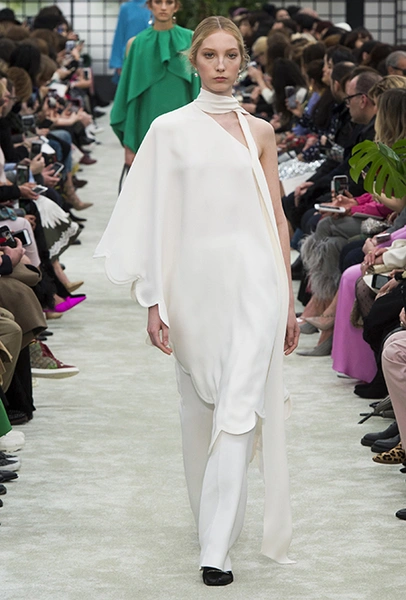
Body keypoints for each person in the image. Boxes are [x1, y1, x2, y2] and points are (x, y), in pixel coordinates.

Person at [96, 15, 299, 587]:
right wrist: (154, 301)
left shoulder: (260, 131)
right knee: (198, 412)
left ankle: (216, 550)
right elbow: (152, 218)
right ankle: (210, 519)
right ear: (194, 61)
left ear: (243, 61)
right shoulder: (168, 130)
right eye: (210, 55)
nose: (220, 65)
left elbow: (276, 217)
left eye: (231, 55)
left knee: (238, 409)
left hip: (255, 281)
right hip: (193, 284)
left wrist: (287, 300)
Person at [110, 0, 200, 170]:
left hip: (184, 126)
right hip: (147, 122)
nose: (163, 7)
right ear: (150, 5)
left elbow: (197, 88)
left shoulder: (191, 39)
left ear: (176, 6)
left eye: (169, 2)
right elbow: (128, 95)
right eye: (158, 2)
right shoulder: (136, 44)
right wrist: (130, 143)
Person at [109, 0, 151, 75]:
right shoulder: (126, 8)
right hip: (129, 56)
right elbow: (120, 35)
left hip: (151, 55)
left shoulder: (156, 5)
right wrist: (118, 63)